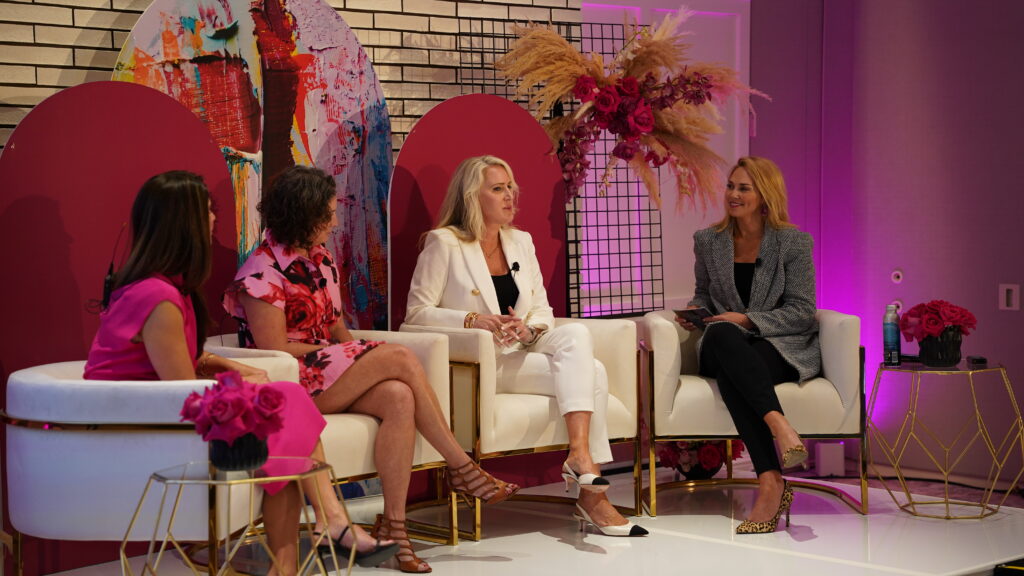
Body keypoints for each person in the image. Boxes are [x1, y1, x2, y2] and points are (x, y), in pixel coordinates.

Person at [85, 170, 397, 576]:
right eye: (207, 211)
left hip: (156, 417)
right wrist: (240, 385)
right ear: (184, 222)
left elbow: (183, 360)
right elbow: (182, 390)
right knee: (285, 412)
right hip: (146, 430)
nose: (214, 219)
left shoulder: (165, 289)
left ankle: (317, 535)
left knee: (286, 422)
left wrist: (230, 366)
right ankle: (328, 525)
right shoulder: (158, 297)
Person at [224, 165, 520, 573]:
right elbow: (274, 349)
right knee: (399, 357)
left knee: (398, 395)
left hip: (325, 371)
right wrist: (349, 353)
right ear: (303, 215)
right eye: (327, 215)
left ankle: (396, 530)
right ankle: (461, 466)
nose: (334, 222)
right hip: (288, 383)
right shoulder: (261, 270)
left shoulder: (321, 259)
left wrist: (353, 353)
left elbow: (336, 327)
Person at [404, 155, 647, 537]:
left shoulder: (521, 241)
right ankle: (592, 495)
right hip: (481, 364)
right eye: (498, 188)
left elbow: (542, 309)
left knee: (577, 335)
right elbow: (416, 314)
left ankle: (580, 457)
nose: (510, 195)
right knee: (595, 373)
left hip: (520, 351)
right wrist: (472, 320)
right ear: (472, 196)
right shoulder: (444, 243)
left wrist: (529, 330)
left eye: (511, 187)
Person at [675, 156, 819, 534]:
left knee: (732, 376)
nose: (733, 195)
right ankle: (779, 424)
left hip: (778, 346)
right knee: (723, 335)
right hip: (724, 341)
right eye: (730, 186)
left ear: (765, 195)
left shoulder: (793, 243)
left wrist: (747, 319)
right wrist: (695, 312)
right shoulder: (708, 241)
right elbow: (704, 294)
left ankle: (771, 482)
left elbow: (803, 311)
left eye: (744, 188)